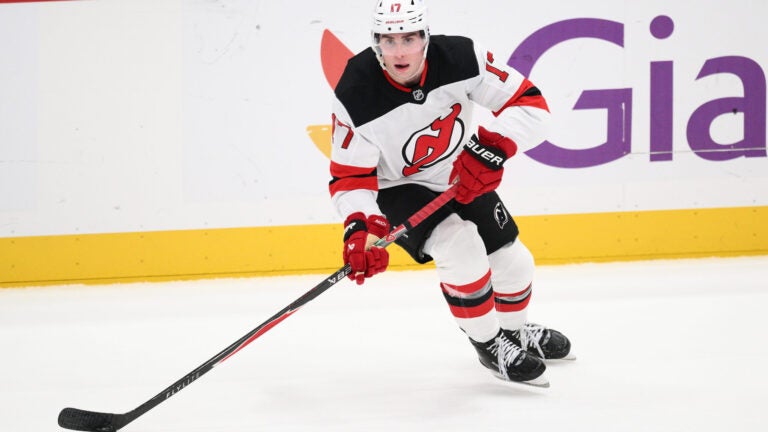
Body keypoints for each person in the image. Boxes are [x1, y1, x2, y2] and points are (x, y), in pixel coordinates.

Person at [328, 0, 573, 387]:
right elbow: (350, 177)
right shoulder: (355, 91)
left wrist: (491, 149)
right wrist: (360, 228)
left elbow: (531, 105)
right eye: (389, 41)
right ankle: (489, 344)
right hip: (397, 186)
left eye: (409, 38)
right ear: (376, 43)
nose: (400, 52)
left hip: (458, 172)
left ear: (425, 38)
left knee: (514, 263)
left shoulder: (462, 57)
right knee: (461, 247)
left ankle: (513, 331)